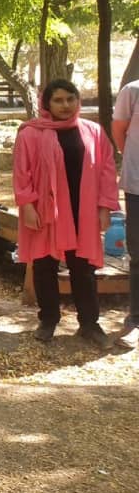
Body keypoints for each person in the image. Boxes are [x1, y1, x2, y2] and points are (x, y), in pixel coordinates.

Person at [15, 80, 117, 348]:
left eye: (70, 99)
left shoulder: (92, 131)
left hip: (81, 211)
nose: (65, 105)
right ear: (46, 103)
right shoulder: (30, 133)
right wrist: (27, 205)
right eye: (58, 100)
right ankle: (48, 319)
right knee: (44, 265)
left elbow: (106, 169)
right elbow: (21, 172)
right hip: (46, 211)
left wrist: (104, 207)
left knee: (83, 268)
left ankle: (89, 323)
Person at [111, 78, 139, 349]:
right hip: (137, 185)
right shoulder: (132, 91)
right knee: (138, 254)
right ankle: (136, 321)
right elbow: (119, 131)